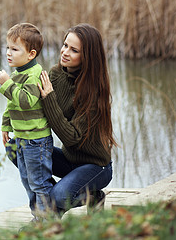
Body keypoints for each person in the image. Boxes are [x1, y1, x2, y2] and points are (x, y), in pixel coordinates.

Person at [38, 23, 118, 215]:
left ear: (87, 57)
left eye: (74, 50)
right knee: (19, 149)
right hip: (69, 160)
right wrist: (7, 123)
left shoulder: (94, 92)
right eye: (65, 45)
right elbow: (37, 109)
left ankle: (93, 196)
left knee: (59, 196)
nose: (65, 52)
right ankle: (47, 208)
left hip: (96, 167)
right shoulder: (56, 75)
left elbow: (72, 137)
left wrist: (49, 98)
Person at [0, 23, 53, 220]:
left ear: (31, 54)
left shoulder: (33, 74)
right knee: (28, 182)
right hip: (22, 138)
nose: (8, 53)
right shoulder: (18, 73)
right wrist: (5, 125)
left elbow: (26, 102)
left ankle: (47, 221)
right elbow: (12, 105)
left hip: (36, 141)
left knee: (39, 184)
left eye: (14, 49)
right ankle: (38, 217)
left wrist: (7, 84)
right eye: (7, 48)